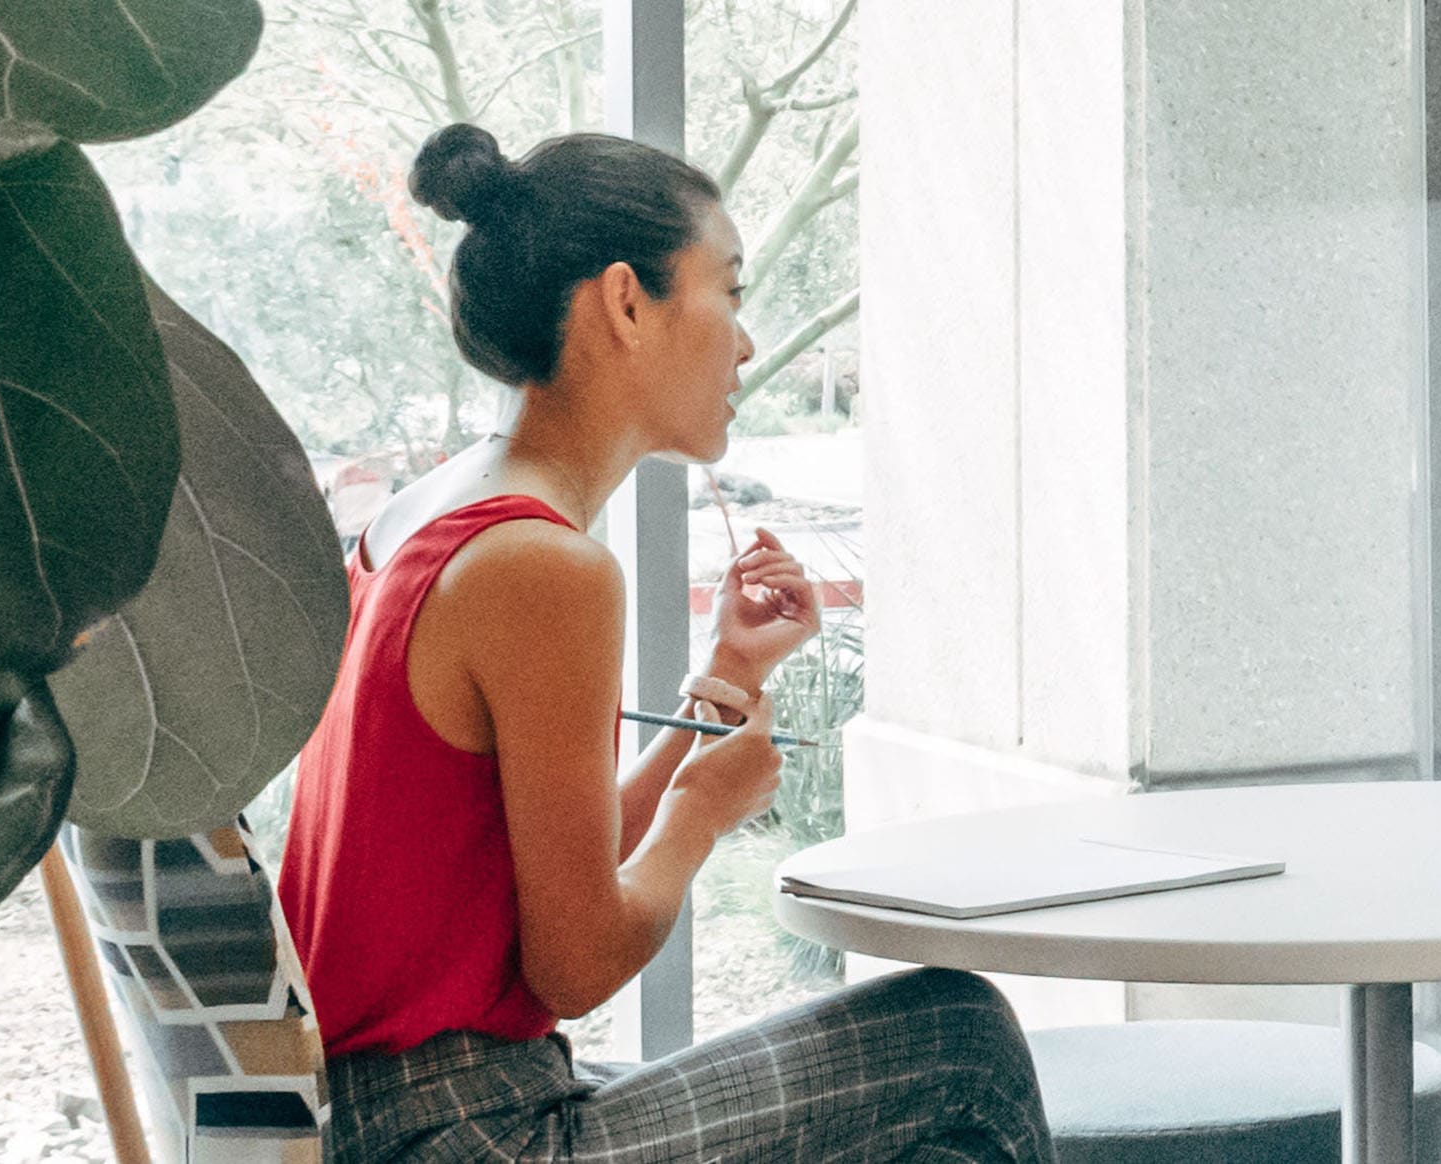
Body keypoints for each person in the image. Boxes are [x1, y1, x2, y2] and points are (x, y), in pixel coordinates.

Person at [278, 123, 1054, 1164]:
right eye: (728, 291)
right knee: (960, 1038)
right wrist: (700, 813)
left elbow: (551, 865)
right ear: (625, 302)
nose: (743, 341)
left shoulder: (439, 509)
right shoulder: (541, 564)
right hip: (466, 1134)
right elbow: (577, 964)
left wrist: (722, 686)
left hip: (382, 1114)